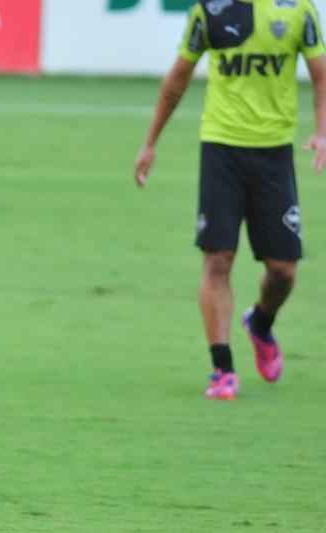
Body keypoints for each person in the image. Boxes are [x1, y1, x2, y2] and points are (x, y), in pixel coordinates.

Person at [135, 0, 326, 399]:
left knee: (283, 271)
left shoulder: (298, 10)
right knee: (218, 258)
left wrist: (322, 130)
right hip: (221, 149)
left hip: (274, 155)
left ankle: (259, 323)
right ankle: (222, 369)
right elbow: (177, 79)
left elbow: (321, 76)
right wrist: (150, 143)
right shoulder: (210, 11)